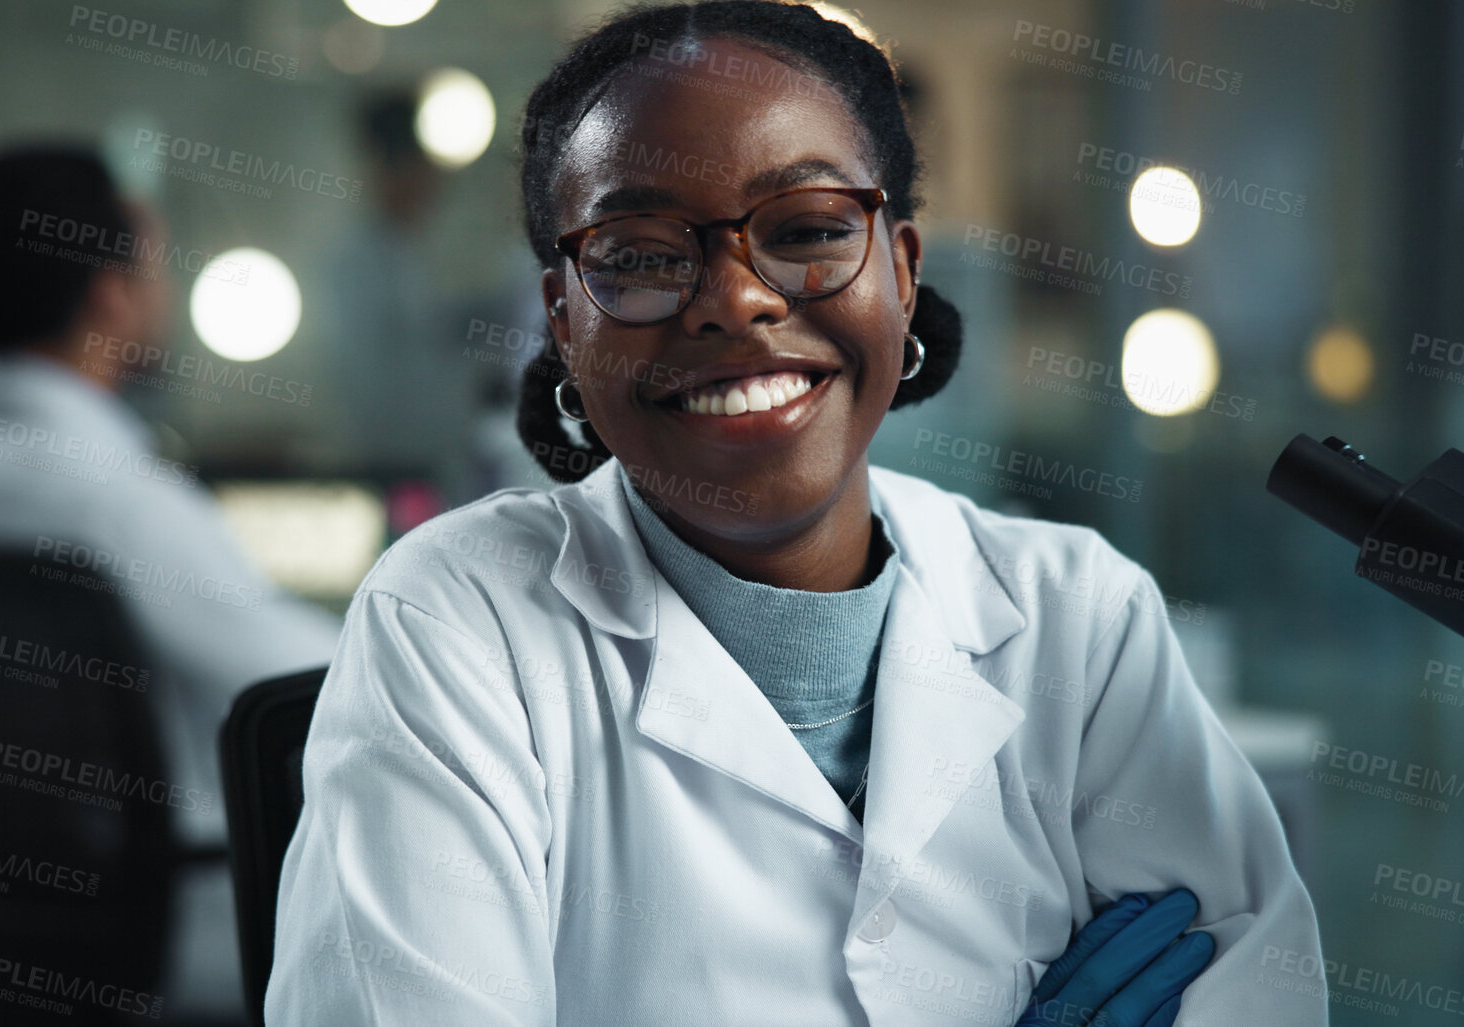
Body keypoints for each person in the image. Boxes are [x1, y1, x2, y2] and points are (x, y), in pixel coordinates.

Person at [266, 4, 1324, 1025]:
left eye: (810, 227)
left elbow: (1258, 985)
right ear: (564, 322)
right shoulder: (458, 624)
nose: (736, 299)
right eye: (639, 254)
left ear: (903, 275)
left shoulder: (1077, 615)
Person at [0, 143, 341, 1015]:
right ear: (112, 289)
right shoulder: (108, 496)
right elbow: (313, 678)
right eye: (152, 265)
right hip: (184, 921)